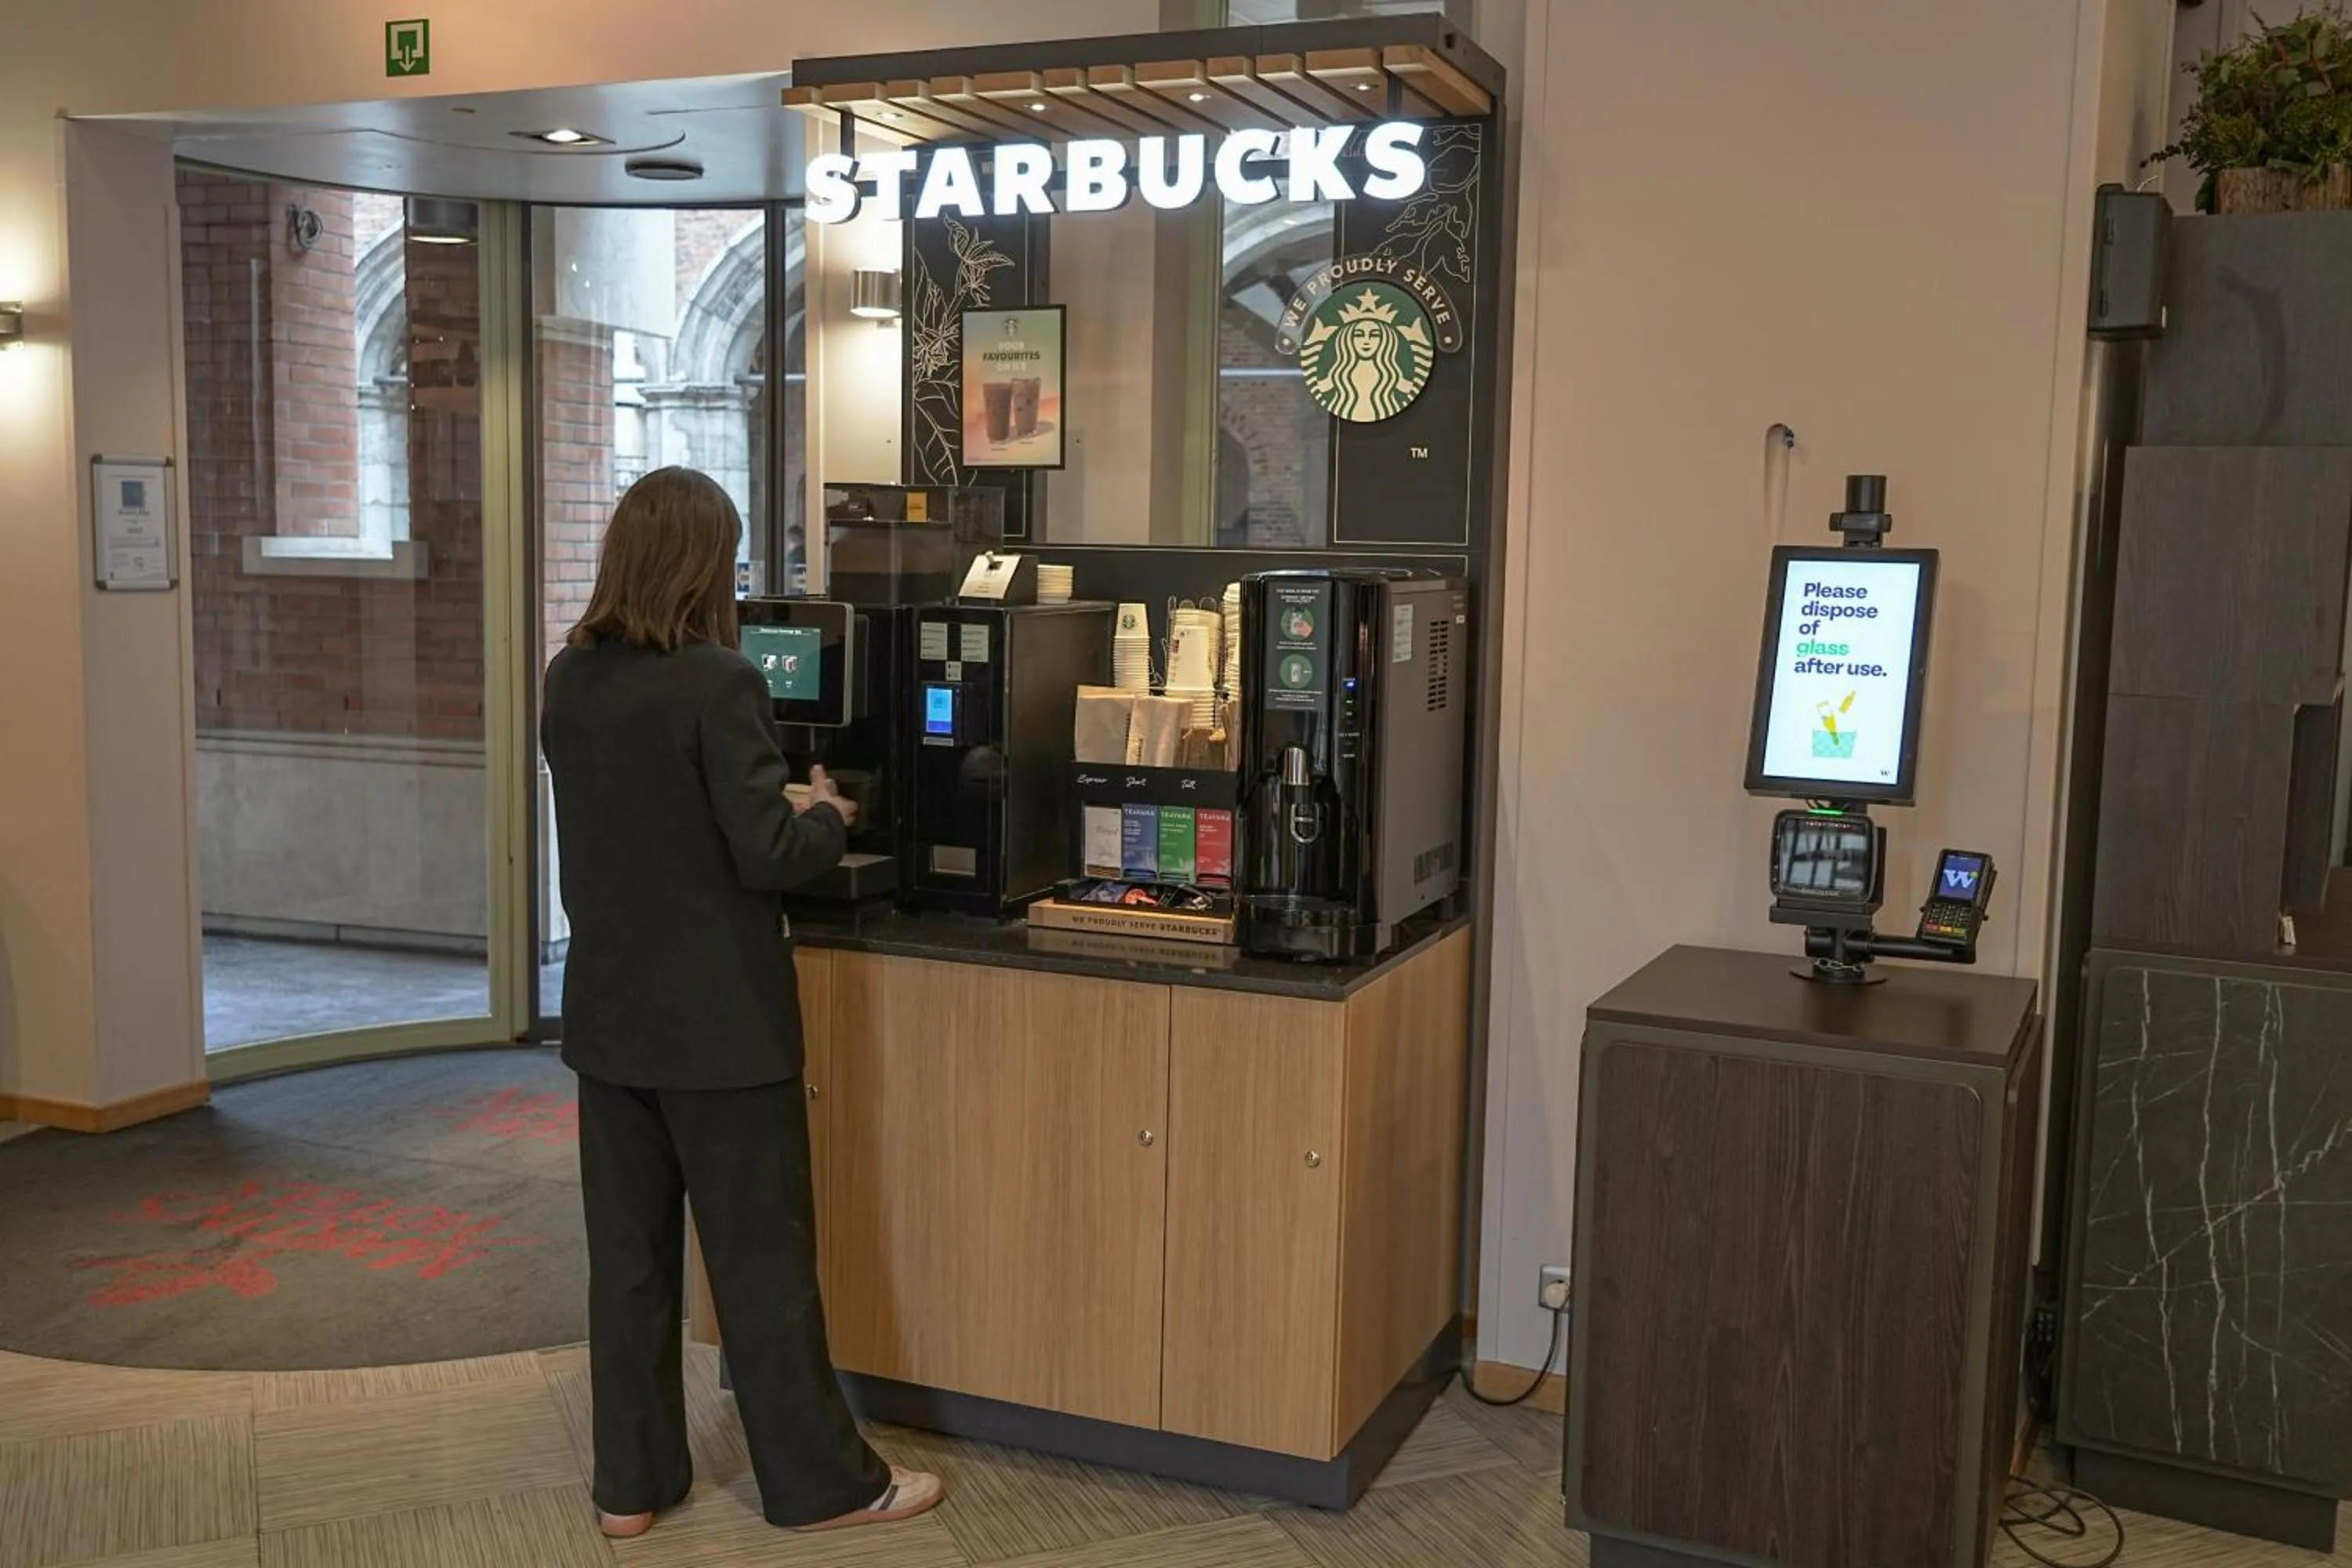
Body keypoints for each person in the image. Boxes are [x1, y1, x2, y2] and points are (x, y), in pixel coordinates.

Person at [541, 466, 943, 1539]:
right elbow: (767, 851)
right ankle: (823, 1486)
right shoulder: (719, 683)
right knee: (763, 1268)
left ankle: (628, 1487)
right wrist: (823, 811)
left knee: (628, 1269)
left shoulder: (567, 679)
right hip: (722, 1030)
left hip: (610, 1023)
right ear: (706, 565)